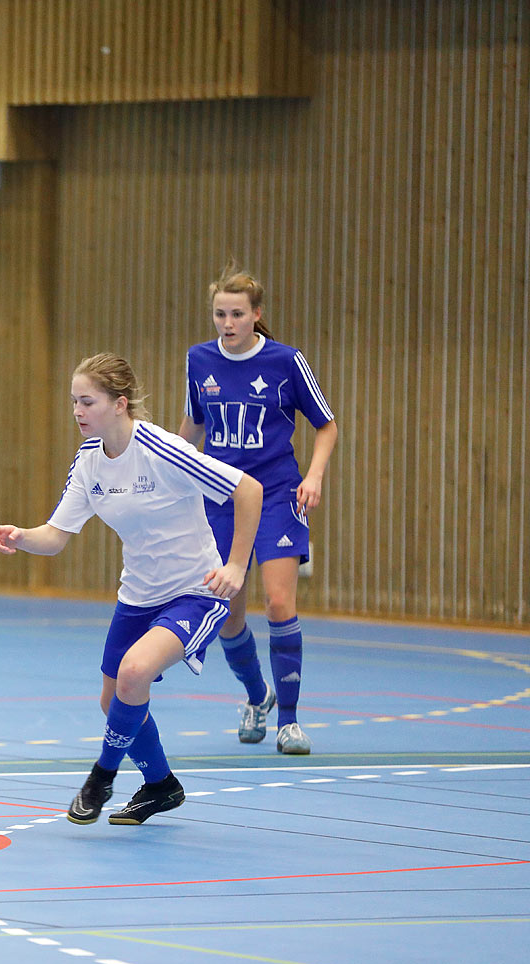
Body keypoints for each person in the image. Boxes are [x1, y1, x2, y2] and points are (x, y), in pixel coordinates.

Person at [0, 353, 261, 825]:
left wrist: (237, 565)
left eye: (87, 401)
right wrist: (22, 537)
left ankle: (101, 776)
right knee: (112, 698)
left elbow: (249, 489)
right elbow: (56, 537)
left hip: (196, 590)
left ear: (120, 404)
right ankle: (161, 785)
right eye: (74, 401)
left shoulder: (162, 449)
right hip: (137, 593)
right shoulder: (90, 459)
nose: (77, 410)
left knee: (134, 672)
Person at [178, 265, 338, 755]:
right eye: (220, 313)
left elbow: (326, 425)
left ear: (256, 315)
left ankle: (289, 720)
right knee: (226, 613)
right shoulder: (199, 360)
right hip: (220, 500)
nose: (227, 322)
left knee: (279, 604)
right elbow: (190, 430)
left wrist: (313, 476)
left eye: (237, 314)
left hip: (276, 496)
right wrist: (169, 480)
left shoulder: (286, 361)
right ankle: (256, 696)